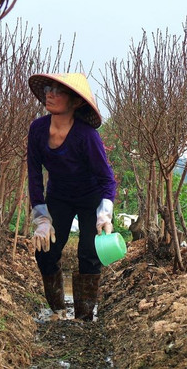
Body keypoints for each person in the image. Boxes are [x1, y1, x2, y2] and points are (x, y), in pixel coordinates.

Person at [26, 72, 116, 321]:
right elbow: (34, 174)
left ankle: (84, 318)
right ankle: (57, 311)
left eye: (58, 91)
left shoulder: (86, 136)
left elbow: (107, 180)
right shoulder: (38, 129)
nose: (50, 94)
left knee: (89, 253)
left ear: (75, 102)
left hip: (90, 198)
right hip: (59, 196)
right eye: (48, 90)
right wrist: (42, 218)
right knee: (45, 251)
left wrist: (104, 214)